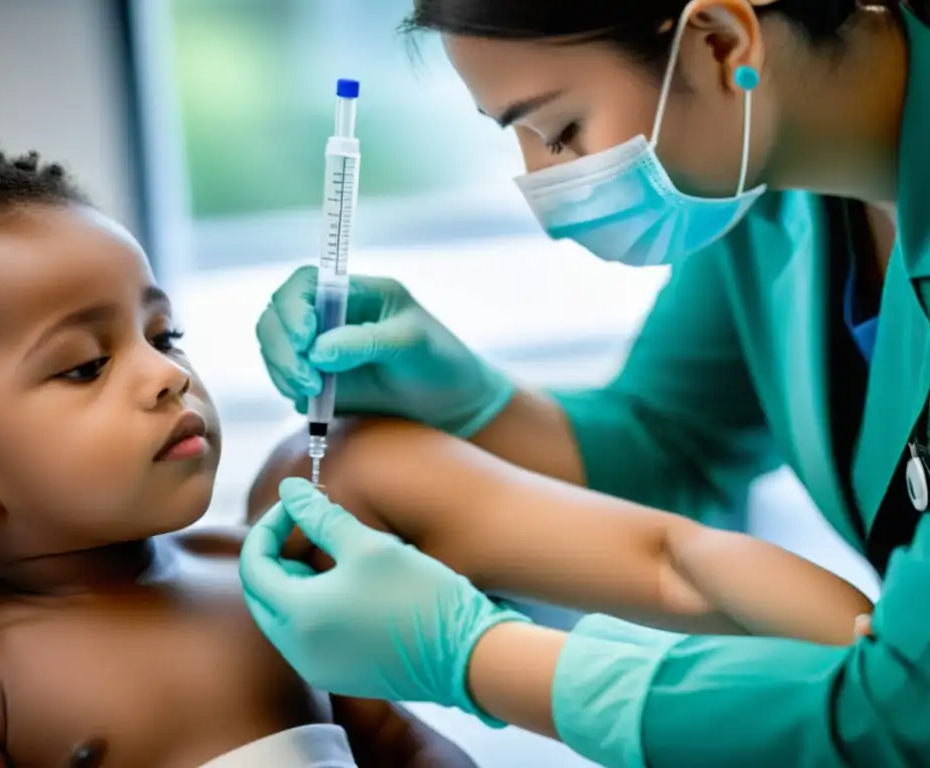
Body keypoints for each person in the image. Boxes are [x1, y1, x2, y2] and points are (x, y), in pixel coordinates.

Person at [243, 0, 930, 765]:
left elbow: (904, 715)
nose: (544, 189)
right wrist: (469, 401)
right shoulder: (771, 195)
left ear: (720, 41)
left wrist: (475, 658)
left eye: (560, 131)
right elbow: (678, 452)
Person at [0, 145, 474, 768]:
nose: (167, 374)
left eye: (163, 336)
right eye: (86, 366)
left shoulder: (262, 573)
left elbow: (405, 745)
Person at [247, 418, 873, 644]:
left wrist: (893, 677)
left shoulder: (336, 474)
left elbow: (671, 562)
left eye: (170, 337)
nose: (173, 377)